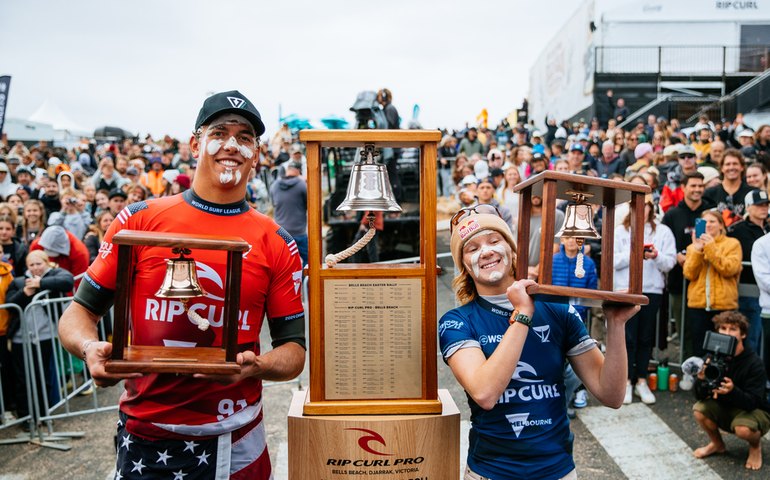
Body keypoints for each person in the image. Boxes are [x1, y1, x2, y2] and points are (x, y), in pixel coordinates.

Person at [57, 90, 305, 479]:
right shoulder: (138, 220)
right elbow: (79, 312)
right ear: (195, 144)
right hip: (146, 437)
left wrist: (255, 367)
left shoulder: (276, 240)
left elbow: (294, 351)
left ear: (256, 154)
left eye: (244, 138)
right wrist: (89, 347)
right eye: (220, 132)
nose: (231, 145)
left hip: (237, 439)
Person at [439, 208, 638, 480]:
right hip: (492, 472)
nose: (485, 251)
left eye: (494, 241)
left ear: (512, 250)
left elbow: (612, 395)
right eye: (471, 248)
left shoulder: (556, 309)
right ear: (463, 265)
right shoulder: (458, 321)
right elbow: (485, 393)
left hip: (558, 471)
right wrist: (522, 313)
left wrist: (615, 325)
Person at [615, 197, 676, 404]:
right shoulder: (619, 231)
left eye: (645, 206)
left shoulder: (663, 231)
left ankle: (641, 379)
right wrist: (634, 253)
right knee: (628, 339)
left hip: (652, 289)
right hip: (626, 288)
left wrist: (656, 255)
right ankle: (626, 382)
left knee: (645, 337)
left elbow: (670, 262)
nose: (641, 210)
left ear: (651, 209)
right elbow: (612, 261)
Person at [692, 311, 770, 471]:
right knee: (699, 410)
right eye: (723, 328)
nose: (727, 333)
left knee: (743, 429)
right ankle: (717, 444)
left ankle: (755, 447)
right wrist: (700, 380)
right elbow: (699, 396)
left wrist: (732, 391)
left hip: (753, 410)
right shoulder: (712, 357)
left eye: (733, 329)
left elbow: (754, 402)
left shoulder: (754, 363)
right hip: (726, 406)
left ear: (743, 334)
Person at [8, 250, 74, 421]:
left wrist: (41, 283)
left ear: (46, 263)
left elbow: (67, 281)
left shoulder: (54, 275)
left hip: (45, 336)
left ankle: (45, 414)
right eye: (32, 265)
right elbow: (10, 305)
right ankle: (26, 416)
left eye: (39, 264)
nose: (36, 268)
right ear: (27, 266)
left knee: (44, 375)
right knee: (23, 378)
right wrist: (25, 293)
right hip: (20, 338)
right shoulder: (19, 281)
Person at [662, 172, 711, 357]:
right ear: (684, 188)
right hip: (678, 281)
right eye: (693, 185)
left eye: (700, 186)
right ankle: (688, 366)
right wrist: (675, 256)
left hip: (706, 280)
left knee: (705, 328)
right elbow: (663, 243)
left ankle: (705, 369)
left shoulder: (710, 212)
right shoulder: (672, 214)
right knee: (684, 328)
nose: (697, 189)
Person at [684, 209, 742, 357]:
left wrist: (710, 247)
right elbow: (689, 274)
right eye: (705, 222)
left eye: (712, 221)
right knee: (699, 348)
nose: (708, 225)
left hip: (724, 306)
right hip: (698, 305)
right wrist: (697, 250)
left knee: (724, 350)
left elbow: (729, 269)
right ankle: (700, 378)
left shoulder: (732, 244)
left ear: (721, 225)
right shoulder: (693, 247)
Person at [727, 189, 770, 354]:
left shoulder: (767, 229)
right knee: (751, 337)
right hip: (747, 290)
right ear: (748, 207)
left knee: (762, 341)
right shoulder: (737, 230)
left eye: (766, 204)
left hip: (764, 296)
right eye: (759, 205)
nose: (763, 208)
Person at [269, 161, 308, 267]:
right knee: (309, 261)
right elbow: (308, 205)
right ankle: (303, 282)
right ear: (298, 171)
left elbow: (274, 204)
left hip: (281, 233)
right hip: (299, 232)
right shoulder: (301, 185)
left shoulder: (274, 186)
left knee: (282, 263)